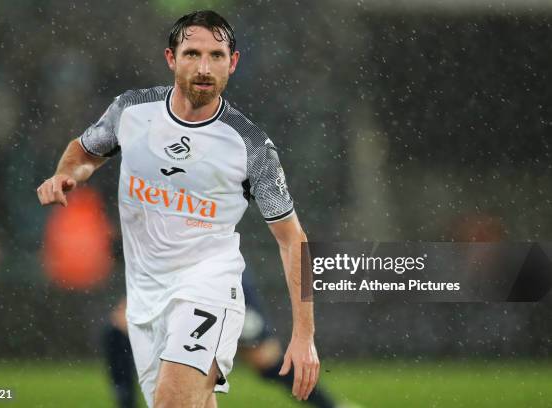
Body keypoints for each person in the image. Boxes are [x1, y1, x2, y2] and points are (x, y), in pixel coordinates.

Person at [37, 10, 318, 408]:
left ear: (233, 62)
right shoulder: (131, 111)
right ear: (171, 58)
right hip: (146, 296)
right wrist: (67, 175)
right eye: (192, 54)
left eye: (217, 56)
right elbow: (84, 151)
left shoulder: (251, 145)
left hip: (209, 288)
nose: (204, 68)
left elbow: (294, 241)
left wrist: (304, 336)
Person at [102, 271, 344, 408]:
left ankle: (331, 406)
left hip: (219, 277)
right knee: (118, 329)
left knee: (267, 361)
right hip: (167, 273)